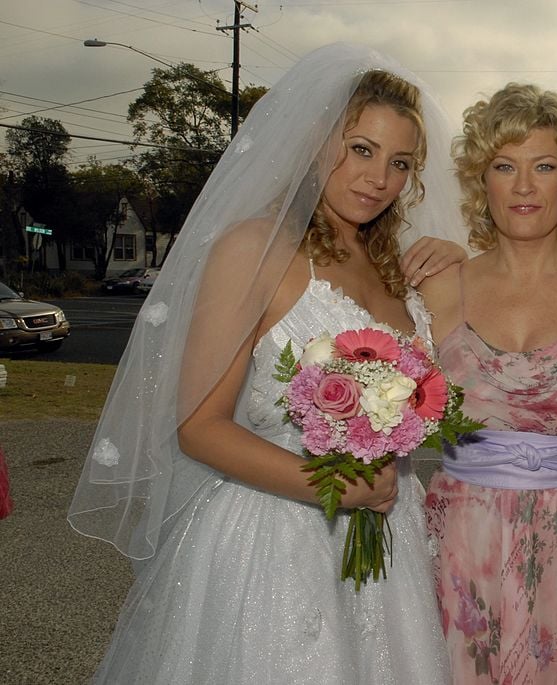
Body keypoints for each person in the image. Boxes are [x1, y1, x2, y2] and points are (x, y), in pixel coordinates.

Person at [67, 43, 468, 683]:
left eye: (399, 163)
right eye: (361, 149)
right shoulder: (255, 249)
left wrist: (461, 262)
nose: (378, 178)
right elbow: (198, 425)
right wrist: (336, 485)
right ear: (316, 141)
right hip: (274, 543)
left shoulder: (400, 271)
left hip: (389, 547)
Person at [421, 83, 557, 684]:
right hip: (464, 548)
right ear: (479, 179)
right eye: (503, 166)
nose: (523, 186)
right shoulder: (434, 290)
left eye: (543, 165)